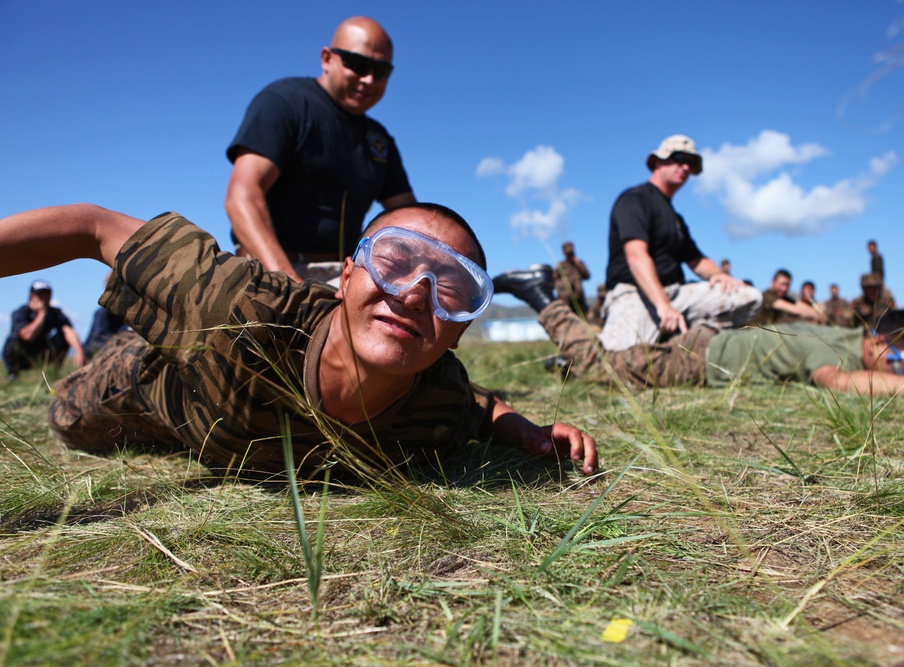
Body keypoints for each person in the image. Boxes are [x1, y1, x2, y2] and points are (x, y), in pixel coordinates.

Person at [0, 203, 597, 480]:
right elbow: (91, 228)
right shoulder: (241, 308)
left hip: (220, 444)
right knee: (66, 422)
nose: (416, 294)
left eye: (453, 289)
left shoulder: (437, 402)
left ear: (461, 331)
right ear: (345, 277)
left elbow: (481, 404)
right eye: (394, 262)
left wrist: (530, 433)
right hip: (139, 388)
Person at [491, 267, 904, 398]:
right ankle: (543, 297)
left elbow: (883, 369)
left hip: (704, 343)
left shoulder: (855, 345)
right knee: (604, 370)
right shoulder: (834, 352)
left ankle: (562, 366)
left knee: (615, 358)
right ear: (880, 342)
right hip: (698, 359)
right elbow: (842, 383)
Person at [225, 16, 416, 286]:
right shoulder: (286, 103)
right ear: (327, 58)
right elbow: (242, 197)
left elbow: (409, 219)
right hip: (272, 269)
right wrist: (290, 284)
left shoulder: (379, 140)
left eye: (381, 71)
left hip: (346, 275)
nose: (369, 79)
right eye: (359, 65)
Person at [600, 135, 761, 351]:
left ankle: (689, 341)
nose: (685, 167)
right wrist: (663, 306)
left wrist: (720, 275)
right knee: (620, 360)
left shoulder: (676, 219)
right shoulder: (635, 199)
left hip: (677, 295)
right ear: (658, 162)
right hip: (635, 293)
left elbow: (695, 259)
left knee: (749, 297)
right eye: (678, 159)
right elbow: (636, 256)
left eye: (691, 163)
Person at [3, 280, 85, 381]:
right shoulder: (21, 312)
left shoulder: (55, 313)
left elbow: (68, 330)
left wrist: (79, 351)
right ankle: (13, 375)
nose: (44, 299)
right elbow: (27, 336)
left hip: (43, 352)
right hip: (23, 355)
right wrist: (41, 314)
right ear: (32, 297)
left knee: (63, 337)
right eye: (40, 295)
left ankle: (52, 373)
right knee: (13, 339)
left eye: (47, 295)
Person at [753, 269, 824, 325]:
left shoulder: (785, 297)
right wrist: (816, 315)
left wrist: (819, 314)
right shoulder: (767, 296)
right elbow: (797, 310)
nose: (785, 288)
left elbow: (801, 306)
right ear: (773, 283)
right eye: (782, 284)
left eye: (788, 285)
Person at [554, 241, 591, 312]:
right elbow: (554, 280)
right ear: (564, 253)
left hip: (579, 298)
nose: (570, 254)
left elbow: (587, 276)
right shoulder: (561, 265)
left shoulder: (579, 263)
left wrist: (578, 264)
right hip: (565, 299)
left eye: (571, 252)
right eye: (568, 253)